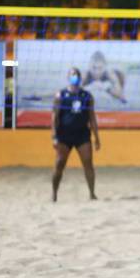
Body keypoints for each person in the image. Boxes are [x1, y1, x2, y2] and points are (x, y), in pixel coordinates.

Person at [52, 67, 100, 202]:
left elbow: (92, 118)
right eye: (73, 75)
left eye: (77, 75)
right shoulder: (60, 95)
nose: (75, 77)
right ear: (68, 77)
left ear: (80, 78)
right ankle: (54, 194)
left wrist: (97, 138)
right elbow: (54, 117)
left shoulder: (87, 96)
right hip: (64, 135)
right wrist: (54, 137)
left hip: (82, 135)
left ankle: (92, 193)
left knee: (88, 163)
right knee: (59, 164)